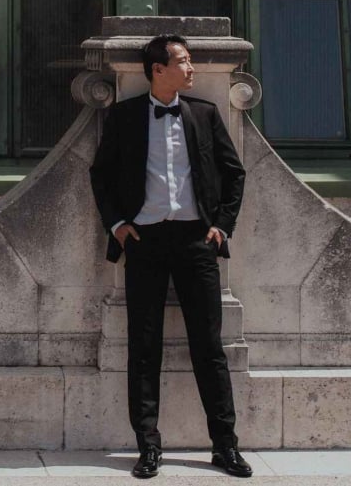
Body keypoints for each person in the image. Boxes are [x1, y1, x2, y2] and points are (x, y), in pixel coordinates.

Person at [88, 34, 250, 479]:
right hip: (144, 242)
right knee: (144, 348)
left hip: (198, 241)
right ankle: (148, 447)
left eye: (190, 60)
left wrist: (222, 226)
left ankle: (225, 446)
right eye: (183, 61)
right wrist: (117, 224)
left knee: (209, 348)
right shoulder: (125, 117)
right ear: (158, 69)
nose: (192, 68)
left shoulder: (204, 113)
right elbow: (100, 174)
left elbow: (234, 173)